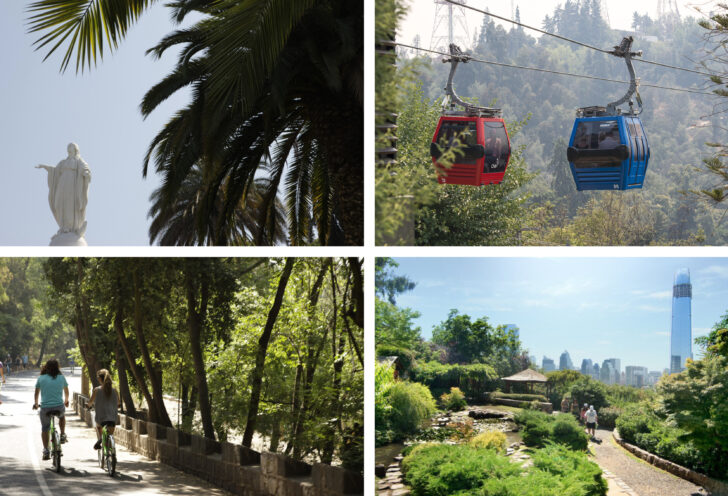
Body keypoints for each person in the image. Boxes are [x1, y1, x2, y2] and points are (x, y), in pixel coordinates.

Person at [35, 143, 92, 238]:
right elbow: (55, 171)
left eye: (71, 148)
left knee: (70, 204)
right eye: (68, 148)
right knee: (59, 203)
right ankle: (63, 226)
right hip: (62, 184)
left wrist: (86, 173)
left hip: (73, 184)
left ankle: (72, 227)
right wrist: (45, 167)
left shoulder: (79, 161)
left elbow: (85, 168)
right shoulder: (63, 162)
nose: (69, 150)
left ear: (75, 150)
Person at [33, 359, 69, 460]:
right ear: (58, 367)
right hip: (59, 406)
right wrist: (66, 401)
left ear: (46, 367)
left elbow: (36, 393)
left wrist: (36, 404)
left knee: (45, 428)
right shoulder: (61, 378)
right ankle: (62, 434)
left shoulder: (41, 378)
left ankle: (46, 450)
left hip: (45, 408)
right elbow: (66, 391)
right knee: (62, 417)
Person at [86, 369, 119, 450]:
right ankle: (112, 454)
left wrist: (88, 405)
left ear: (100, 379)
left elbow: (90, 403)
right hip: (112, 418)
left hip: (101, 419)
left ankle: (100, 439)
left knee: (98, 426)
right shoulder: (115, 391)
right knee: (110, 435)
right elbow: (118, 403)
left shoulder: (97, 390)